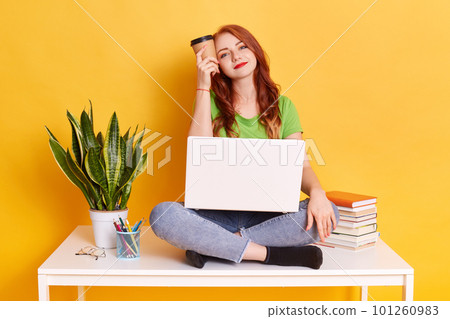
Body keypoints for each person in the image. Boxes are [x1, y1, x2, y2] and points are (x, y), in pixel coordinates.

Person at [150, 24, 339, 269]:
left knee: (330, 211)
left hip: (268, 217)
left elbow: (300, 166)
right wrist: (203, 86)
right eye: (224, 54)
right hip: (215, 215)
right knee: (162, 215)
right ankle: (271, 255)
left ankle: (215, 248)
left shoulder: (284, 107)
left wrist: (318, 193)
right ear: (217, 65)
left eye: (242, 47)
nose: (236, 56)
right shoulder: (210, 104)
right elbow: (199, 151)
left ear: (255, 51)